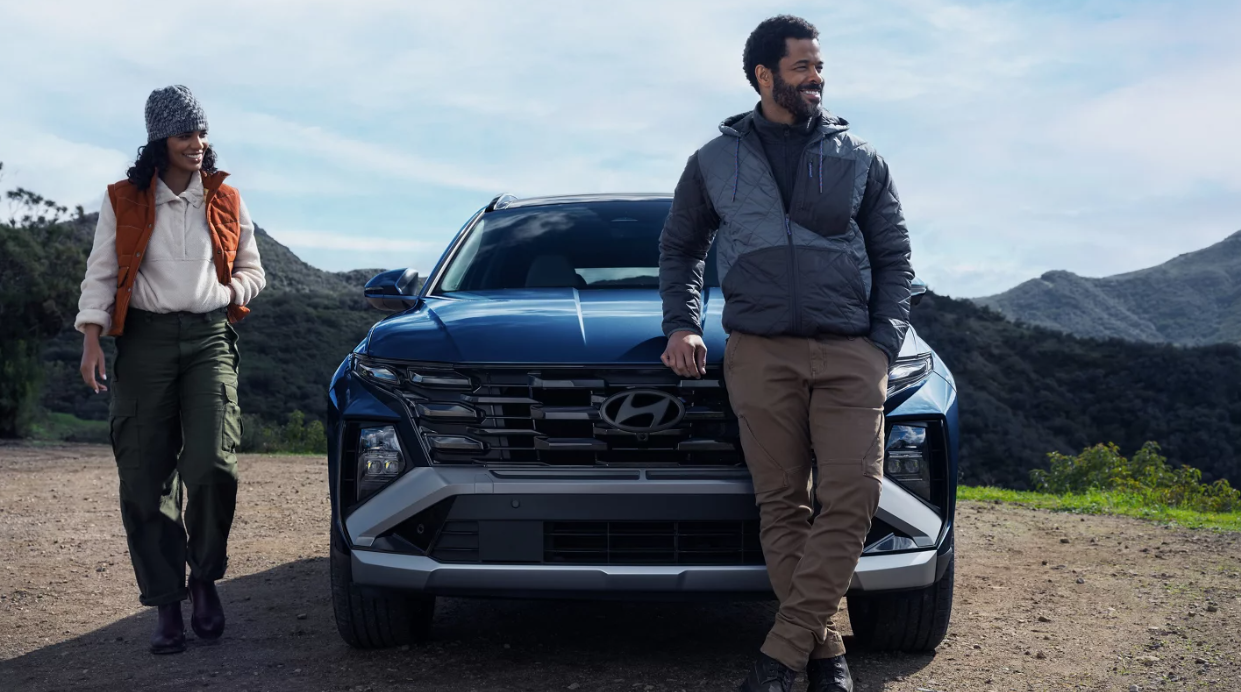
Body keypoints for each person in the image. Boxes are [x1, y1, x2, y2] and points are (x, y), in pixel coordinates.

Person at [658, 15, 914, 692]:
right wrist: (682, 324)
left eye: (818, 67)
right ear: (762, 75)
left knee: (852, 495)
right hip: (758, 351)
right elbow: (682, 247)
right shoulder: (713, 159)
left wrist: (881, 345)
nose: (815, 79)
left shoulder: (858, 154)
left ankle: (779, 655)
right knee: (780, 503)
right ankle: (826, 653)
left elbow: (893, 257)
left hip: (849, 352)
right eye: (801, 67)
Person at [76, 85, 266, 655]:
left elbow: (255, 269)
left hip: (209, 337)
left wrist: (229, 288)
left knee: (211, 463)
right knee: (143, 477)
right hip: (144, 342)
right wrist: (91, 341)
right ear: (161, 139)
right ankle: (165, 602)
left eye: (202, 133)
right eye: (186, 134)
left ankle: (203, 577)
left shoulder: (227, 196)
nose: (198, 144)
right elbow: (102, 274)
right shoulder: (124, 199)